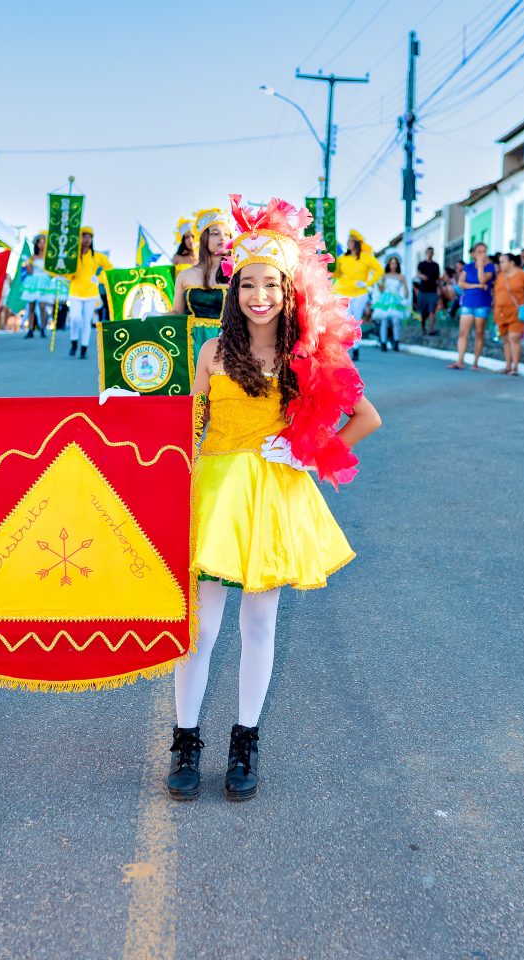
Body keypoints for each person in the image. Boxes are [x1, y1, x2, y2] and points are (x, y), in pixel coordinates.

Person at [165, 196, 381, 801]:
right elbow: (185, 425)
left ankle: (245, 742)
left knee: (259, 624)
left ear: (290, 292)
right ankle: (185, 740)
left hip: (274, 498)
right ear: (233, 290)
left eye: (271, 285)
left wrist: (308, 452)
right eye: (248, 284)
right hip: (215, 498)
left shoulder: (305, 356)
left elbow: (366, 417)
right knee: (200, 628)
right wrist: (123, 407)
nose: (259, 296)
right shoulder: (212, 352)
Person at [172, 209, 232, 367]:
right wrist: (154, 314)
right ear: (204, 238)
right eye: (215, 233)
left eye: (227, 234)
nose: (222, 238)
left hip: (230, 344)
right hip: (192, 345)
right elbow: (176, 312)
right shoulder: (185, 275)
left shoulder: (239, 274)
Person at [332, 229, 383, 362]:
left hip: (360, 294)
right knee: (345, 321)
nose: (349, 243)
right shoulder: (342, 258)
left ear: (357, 243)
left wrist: (368, 283)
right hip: (343, 292)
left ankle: (356, 348)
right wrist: (330, 265)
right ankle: (344, 349)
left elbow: (379, 271)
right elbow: (336, 274)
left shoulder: (367, 258)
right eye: (348, 241)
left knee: (356, 321)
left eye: (351, 241)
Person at [67, 226, 113, 358]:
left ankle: (83, 348)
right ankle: (74, 342)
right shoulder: (73, 255)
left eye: (89, 237)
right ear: (79, 238)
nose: (87, 239)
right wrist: (66, 274)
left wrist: (99, 278)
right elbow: (67, 273)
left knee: (86, 321)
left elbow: (109, 269)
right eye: (84, 236)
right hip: (75, 292)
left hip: (91, 293)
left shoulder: (97, 256)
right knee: (75, 319)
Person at [448, 242, 495, 371]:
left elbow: (482, 280)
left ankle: (475, 363)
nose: (482, 254)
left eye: (484, 251)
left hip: (482, 303)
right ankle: (460, 361)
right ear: (474, 253)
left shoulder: (490, 267)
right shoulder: (468, 267)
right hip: (468, 302)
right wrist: (477, 286)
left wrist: (480, 265)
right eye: (479, 252)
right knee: (463, 332)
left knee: (479, 333)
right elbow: (461, 284)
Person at [494, 253, 524, 375]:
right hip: (501, 312)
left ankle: (515, 367)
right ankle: (508, 366)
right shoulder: (500, 276)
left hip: (516, 312)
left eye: (503, 262)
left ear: (511, 262)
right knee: (505, 340)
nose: (500, 264)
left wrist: (522, 301)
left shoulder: (523, 275)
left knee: (514, 338)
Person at [373, 256, 409, 351]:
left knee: (396, 320)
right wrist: (378, 284)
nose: (393, 265)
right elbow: (382, 290)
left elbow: (406, 291)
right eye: (392, 263)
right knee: (384, 320)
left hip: (396, 299)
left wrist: (405, 298)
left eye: (395, 263)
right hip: (386, 299)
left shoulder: (401, 277)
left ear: (398, 265)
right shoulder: (384, 276)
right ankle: (383, 342)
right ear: (389, 265)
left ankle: (396, 341)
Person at [22, 234, 52, 338]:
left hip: (44, 282)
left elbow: (50, 272)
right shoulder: (32, 258)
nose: (42, 244)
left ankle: (42, 328)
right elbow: (30, 272)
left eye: (44, 242)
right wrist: (27, 264)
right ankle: (30, 329)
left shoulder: (48, 258)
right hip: (33, 282)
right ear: (36, 244)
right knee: (31, 306)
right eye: (40, 242)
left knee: (42, 306)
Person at [415, 246, 440, 334]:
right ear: (426, 253)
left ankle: (431, 329)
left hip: (432, 291)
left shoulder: (436, 265)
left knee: (432, 310)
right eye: (429, 252)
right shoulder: (421, 264)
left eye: (431, 252)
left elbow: (437, 279)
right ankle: (423, 328)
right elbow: (418, 274)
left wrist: (438, 290)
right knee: (423, 312)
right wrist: (421, 276)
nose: (430, 254)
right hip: (423, 291)